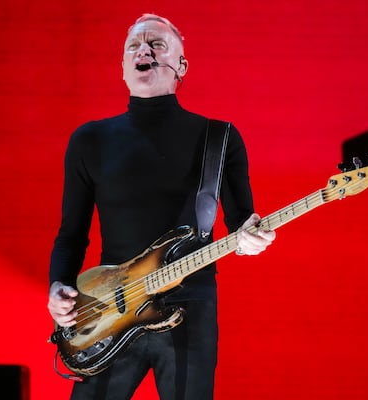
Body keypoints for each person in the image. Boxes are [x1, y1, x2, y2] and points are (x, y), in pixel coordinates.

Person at [47, 13, 276, 400]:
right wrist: (58, 287)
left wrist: (250, 239)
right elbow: (71, 233)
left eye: (156, 44)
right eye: (134, 46)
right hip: (108, 309)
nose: (144, 50)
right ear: (122, 68)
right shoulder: (89, 140)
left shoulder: (218, 138)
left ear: (181, 65)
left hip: (190, 307)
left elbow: (243, 225)